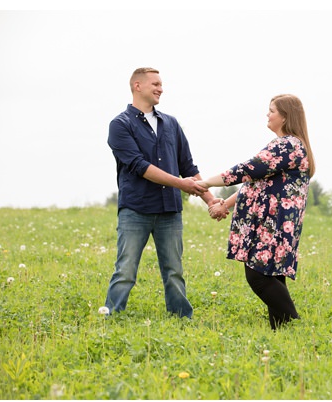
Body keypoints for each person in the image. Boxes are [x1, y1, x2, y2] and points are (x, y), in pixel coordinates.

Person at [193, 94, 315, 330]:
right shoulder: (289, 145)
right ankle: (281, 333)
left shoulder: (287, 145)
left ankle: (293, 325)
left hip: (273, 224)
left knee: (258, 275)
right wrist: (225, 204)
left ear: (285, 116)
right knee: (270, 275)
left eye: (272, 110)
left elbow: (247, 170)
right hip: (274, 223)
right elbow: (256, 182)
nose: (267, 115)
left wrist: (207, 183)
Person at [103, 67, 217, 319]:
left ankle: (181, 318)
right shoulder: (119, 124)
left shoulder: (171, 123)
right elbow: (140, 167)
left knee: (174, 269)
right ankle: (111, 316)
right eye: (155, 83)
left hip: (169, 210)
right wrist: (182, 184)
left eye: (161, 84)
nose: (160, 88)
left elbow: (187, 165)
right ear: (137, 86)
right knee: (126, 269)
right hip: (136, 209)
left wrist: (210, 200)